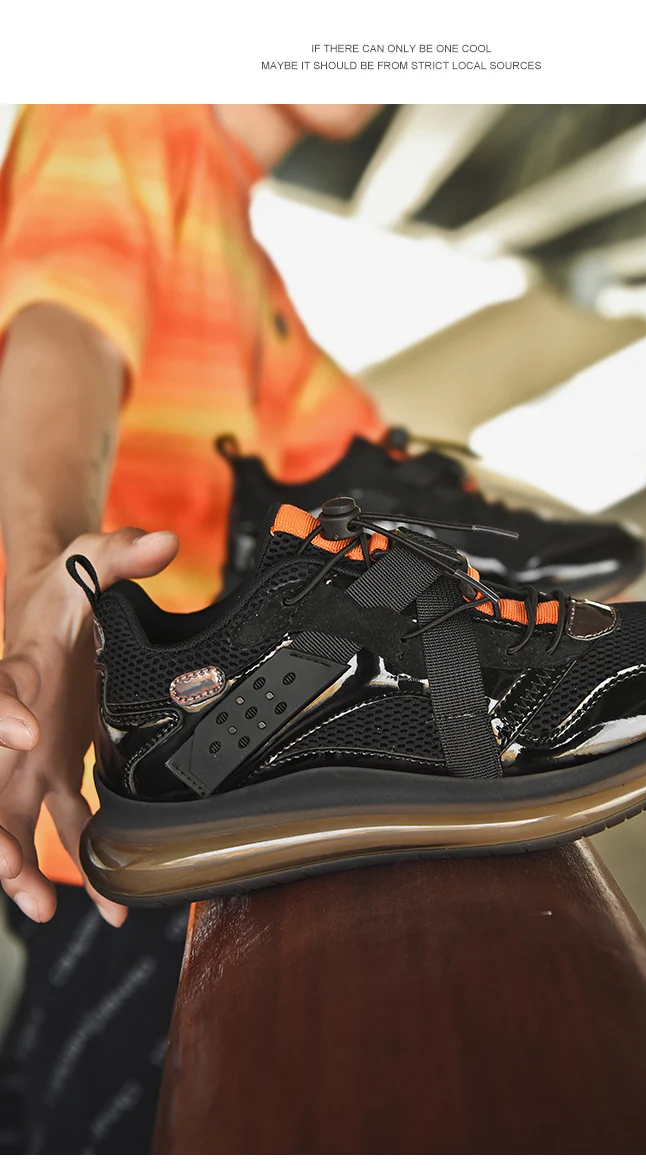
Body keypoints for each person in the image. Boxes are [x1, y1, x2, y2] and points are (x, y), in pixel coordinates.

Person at [0, 102, 383, 1153]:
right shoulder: (122, 107)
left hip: (198, 803)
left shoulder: (251, 268)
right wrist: (45, 573)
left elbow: (368, 474)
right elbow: (66, 330)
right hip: (128, 817)